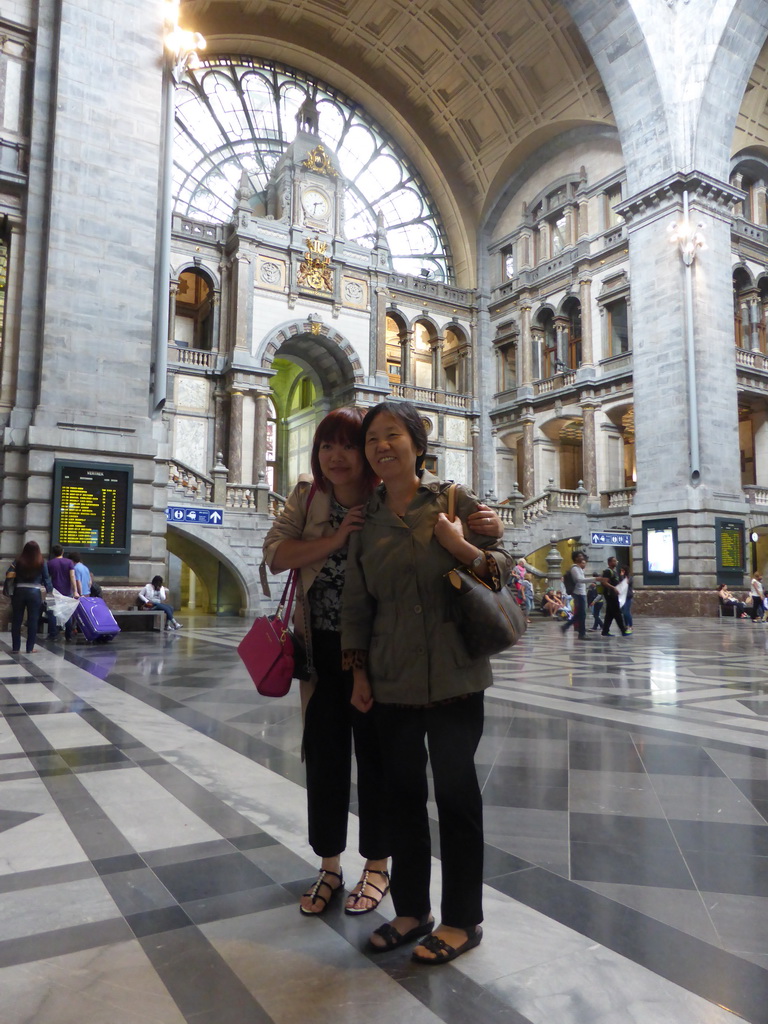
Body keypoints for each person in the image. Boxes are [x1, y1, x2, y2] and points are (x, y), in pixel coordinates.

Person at [263, 407, 505, 917]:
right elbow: (278, 555)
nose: (338, 455)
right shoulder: (312, 496)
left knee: (385, 767)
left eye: (351, 444)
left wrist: (480, 528)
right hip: (326, 651)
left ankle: (379, 868)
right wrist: (335, 537)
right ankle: (331, 866)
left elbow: (483, 545)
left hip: (390, 656)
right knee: (326, 758)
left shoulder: (397, 497)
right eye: (329, 445)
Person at [342, 401, 512, 966]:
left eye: (393, 436)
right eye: (373, 440)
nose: (381, 447)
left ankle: (465, 919)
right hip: (391, 679)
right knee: (401, 797)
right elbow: (357, 603)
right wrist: (359, 671)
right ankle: (412, 911)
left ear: (417, 443)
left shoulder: (453, 501)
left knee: (458, 796)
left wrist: (460, 543)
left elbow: (502, 573)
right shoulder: (366, 519)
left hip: (456, 674)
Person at [7, 541, 53, 653]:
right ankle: (29, 648)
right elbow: (46, 579)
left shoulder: (18, 561)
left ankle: (15, 648)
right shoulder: (41, 561)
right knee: (33, 620)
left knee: (17, 619)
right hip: (34, 592)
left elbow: (9, 573)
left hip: (19, 591)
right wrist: (50, 592)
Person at [46, 544, 78, 642]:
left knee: (52, 613)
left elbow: (47, 578)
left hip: (54, 591)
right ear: (62, 551)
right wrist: (75, 591)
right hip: (67, 591)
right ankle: (68, 635)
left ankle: (53, 634)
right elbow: (72, 577)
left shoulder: (49, 563)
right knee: (67, 613)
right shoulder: (69, 562)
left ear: (53, 553)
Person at [599, 555, 631, 636]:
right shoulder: (607, 571)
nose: (616, 562)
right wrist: (613, 588)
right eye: (613, 561)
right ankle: (623, 630)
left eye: (616, 561)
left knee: (609, 614)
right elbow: (604, 582)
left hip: (613, 594)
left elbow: (615, 582)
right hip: (610, 594)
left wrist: (622, 584)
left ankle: (605, 631)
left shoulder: (614, 572)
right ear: (609, 562)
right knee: (617, 613)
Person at [561, 551, 589, 639]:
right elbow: (579, 580)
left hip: (582, 593)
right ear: (575, 558)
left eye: (582, 556)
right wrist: (596, 579)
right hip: (578, 593)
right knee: (582, 614)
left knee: (580, 614)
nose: (581, 557)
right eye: (579, 556)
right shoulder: (574, 568)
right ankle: (581, 633)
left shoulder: (579, 568)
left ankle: (566, 626)